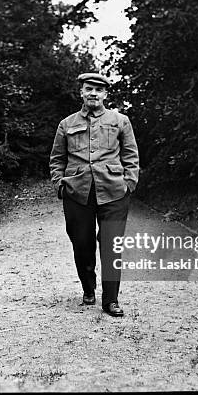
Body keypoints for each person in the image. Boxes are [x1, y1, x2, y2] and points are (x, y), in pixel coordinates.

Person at [49, 72, 139, 317]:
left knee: (112, 245)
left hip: (114, 192)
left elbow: (131, 157)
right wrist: (60, 184)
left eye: (98, 90)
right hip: (77, 192)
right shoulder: (66, 124)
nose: (93, 93)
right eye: (89, 89)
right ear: (81, 92)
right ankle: (88, 288)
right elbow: (57, 159)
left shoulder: (120, 120)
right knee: (82, 244)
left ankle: (111, 300)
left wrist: (128, 184)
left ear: (105, 94)